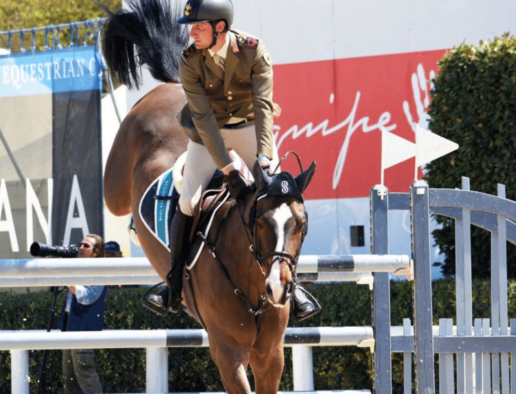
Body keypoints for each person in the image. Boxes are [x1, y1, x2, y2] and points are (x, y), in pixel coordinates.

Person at [144, 0, 320, 321]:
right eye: (191, 28)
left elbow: (264, 106)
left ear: (219, 27)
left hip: (252, 129)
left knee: (280, 201)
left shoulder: (254, 50)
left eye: (198, 27)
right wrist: (226, 166)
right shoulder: (189, 60)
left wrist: (265, 157)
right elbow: (204, 119)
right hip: (209, 134)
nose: (192, 34)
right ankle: (173, 283)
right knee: (188, 199)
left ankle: (294, 287)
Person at [59, 234, 107, 394]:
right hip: (69, 327)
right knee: (69, 377)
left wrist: (70, 281)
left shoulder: (100, 271)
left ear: (96, 252)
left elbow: (88, 297)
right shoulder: (78, 268)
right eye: (81, 244)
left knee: (85, 374)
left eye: (86, 246)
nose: (81, 247)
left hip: (84, 329)